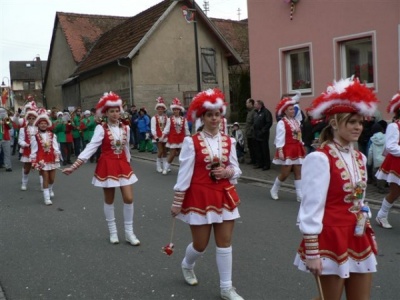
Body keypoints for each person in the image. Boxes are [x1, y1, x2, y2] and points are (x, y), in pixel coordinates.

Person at [294, 77, 378, 300]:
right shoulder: (319, 159)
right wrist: (312, 251)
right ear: (334, 123)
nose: (358, 127)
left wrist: (365, 223)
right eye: (352, 122)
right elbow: (311, 207)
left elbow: (358, 199)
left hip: (357, 235)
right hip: (331, 238)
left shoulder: (359, 157)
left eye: (360, 122)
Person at [171, 88, 244, 300]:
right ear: (202, 117)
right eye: (210, 115)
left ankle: (226, 288)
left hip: (223, 194)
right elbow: (184, 174)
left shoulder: (228, 141)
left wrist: (226, 171)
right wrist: (177, 201)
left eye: (217, 114)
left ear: (222, 117)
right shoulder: (190, 142)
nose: (214, 118)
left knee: (225, 242)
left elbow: (237, 169)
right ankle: (187, 264)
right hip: (199, 196)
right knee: (200, 245)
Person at [63, 92, 140, 246]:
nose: (115, 114)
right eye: (112, 111)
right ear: (105, 113)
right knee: (109, 199)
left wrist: (128, 162)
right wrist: (75, 166)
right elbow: (91, 147)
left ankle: (129, 232)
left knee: (129, 198)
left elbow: (126, 149)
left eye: (117, 111)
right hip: (107, 164)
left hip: (123, 164)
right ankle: (113, 232)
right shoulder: (101, 128)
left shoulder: (126, 128)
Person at [270, 92, 305, 202]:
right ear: (285, 111)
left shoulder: (297, 122)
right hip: (287, 149)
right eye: (290, 109)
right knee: (285, 173)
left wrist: (301, 143)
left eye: (293, 109)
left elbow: (299, 135)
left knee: (298, 172)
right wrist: (280, 150)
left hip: (297, 148)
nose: (293, 111)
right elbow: (280, 137)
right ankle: (274, 189)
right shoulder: (282, 123)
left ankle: (299, 194)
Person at [375, 92, 400, 229]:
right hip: (397, 163)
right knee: (395, 192)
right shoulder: (394, 126)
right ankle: (381, 215)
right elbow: (391, 147)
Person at [30, 111, 62, 205]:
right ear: (38, 125)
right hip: (41, 159)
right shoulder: (35, 137)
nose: (43, 125)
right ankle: (46, 198)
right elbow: (34, 150)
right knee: (45, 178)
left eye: (45, 123)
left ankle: (50, 189)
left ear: (47, 124)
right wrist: (33, 161)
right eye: (41, 123)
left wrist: (57, 155)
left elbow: (56, 147)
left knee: (52, 179)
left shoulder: (52, 135)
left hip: (51, 157)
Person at [161, 98, 190, 174]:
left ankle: (182, 169)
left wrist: (189, 138)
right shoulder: (169, 119)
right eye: (174, 110)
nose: (175, 111)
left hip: (181, 139)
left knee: (181, 154)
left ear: (179, 110)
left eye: (177, 110)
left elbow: (186, 130)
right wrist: (162, 136)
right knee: (172, 154)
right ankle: (166, 168)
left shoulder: (184, 119)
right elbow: (167, 129)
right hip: (173, 138)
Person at [18, 109, 38, 190]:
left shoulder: (39, 128)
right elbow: (20, 140)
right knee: (27, 168)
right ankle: (24, 182)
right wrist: (26, 144)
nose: (31, 120)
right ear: (27, 119)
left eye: (33, 118)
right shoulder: (23, 129)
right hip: (28, 150)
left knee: (42, 168)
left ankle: (44, 185)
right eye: (30, 118)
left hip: (38, 151)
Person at [367, 120, 387, 193]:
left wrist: (369, 162)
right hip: (385, 159)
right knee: (385, 173)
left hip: (376, 161)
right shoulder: (386, 137)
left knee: (377, 174)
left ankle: (380, 187)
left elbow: (370, 152)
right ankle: (386, 186)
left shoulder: (372, 140)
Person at [253, 99, 273, 170]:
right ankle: (260, 163)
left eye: (255, 104)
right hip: (256, 134)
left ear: (260, 105)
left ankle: (266, 164)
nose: (254, 106)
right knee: (258, 150)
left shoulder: (266, 112)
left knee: (264, 150)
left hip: (263, 135)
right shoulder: (256, 112)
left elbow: (269, 123)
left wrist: (263, 131)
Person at [151, 97, 168, 173]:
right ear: (157, 109)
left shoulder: (166, 118)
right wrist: (156, 137)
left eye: (161, 108)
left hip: (165, 137)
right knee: (160, 151)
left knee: (164, 151)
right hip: (157, 137)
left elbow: (167, 127)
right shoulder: (154, 118)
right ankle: (158, 166)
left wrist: (165, 136)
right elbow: (153, 129)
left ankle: (165, 166)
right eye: (159, 108)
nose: (160, 110)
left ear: (164, 109)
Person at [0, 108, 13, 172]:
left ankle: (8, 166)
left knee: (7, 153)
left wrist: (6, 122)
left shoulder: (6, 118)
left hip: (6, 137)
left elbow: (10, 127)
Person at [244, 98, 256, 165]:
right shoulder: (249, 111)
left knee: (253, 148)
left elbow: (254, 123)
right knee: (250, 148)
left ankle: (255, 160)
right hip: (248, 133)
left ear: (251, 103)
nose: (246, 104)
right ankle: (252, 159)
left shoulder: (254, 111)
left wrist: (250, 130)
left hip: (252, 134)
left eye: (247, 103)